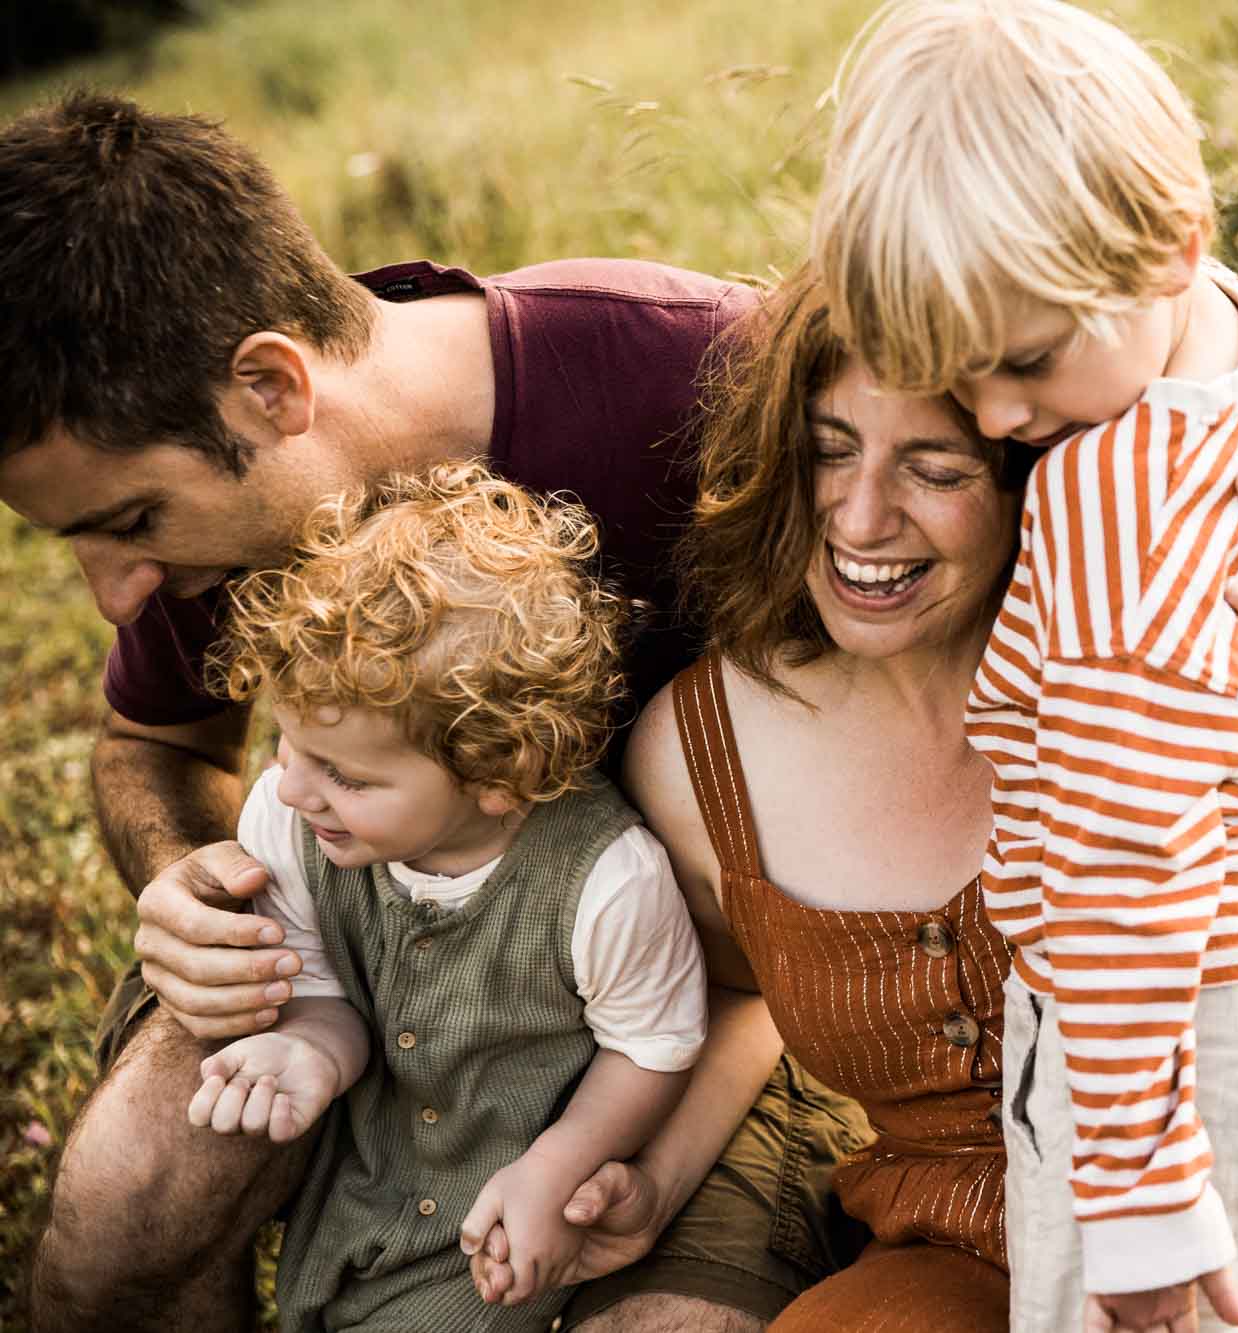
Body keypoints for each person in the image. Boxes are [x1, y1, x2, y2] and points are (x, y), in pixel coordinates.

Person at [475, 267, 1238, 1333]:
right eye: (829, 449)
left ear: (1033, 478)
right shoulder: (700, 757)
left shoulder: (1167, 676)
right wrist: (654, 1182)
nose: (864, 515)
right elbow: (737, 992)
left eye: (935, 469)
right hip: (963, 1245)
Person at [0, 92, 869, 1333]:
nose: (115, 596)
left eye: (131, 521)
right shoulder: (211, 527)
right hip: (343, 952)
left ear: (269, 385)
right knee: (117, 1217)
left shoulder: (707, 384)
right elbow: (152, 742)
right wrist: (194, 881)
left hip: (704, 1006)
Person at [809, 3, 1238, 1328]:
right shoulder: (1232, 335)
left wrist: (1136, 1194)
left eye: (1025, 364)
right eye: (963, 377)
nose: (1001, 421)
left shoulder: (1109, 503)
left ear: (1171, 241)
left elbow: (1126, 858)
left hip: (1186, 1043)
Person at [185, 461, 707, 1329]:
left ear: (499, 774)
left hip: (504, 1227)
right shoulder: (290, 825)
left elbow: (651, 1045)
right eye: (289, 744)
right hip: (363, 1196)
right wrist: (309, 1047)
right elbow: (322, 988)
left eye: (344, 775)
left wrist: (559, 1162)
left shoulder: (608, 882)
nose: (291, 790)